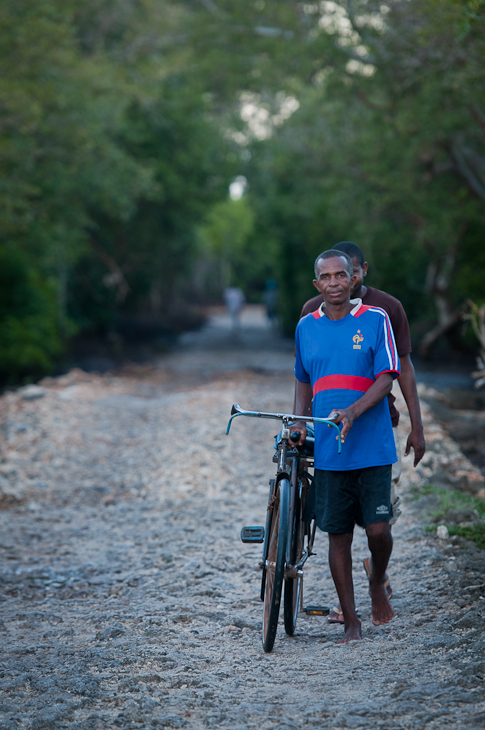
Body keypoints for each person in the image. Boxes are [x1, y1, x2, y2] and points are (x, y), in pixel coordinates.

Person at [299, 241, 425, 624]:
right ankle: (350, 619)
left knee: (378, 528)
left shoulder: (382, 314)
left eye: (343, 274)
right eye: (327, 276)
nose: (335, 282)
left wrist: (416, 427)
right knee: (337, 535)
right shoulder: (307, 321)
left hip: (374, 435)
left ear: (358, 274)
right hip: (329, 445)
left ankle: (377, 579)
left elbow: (395, 372)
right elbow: (303, 379)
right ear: (317, 282)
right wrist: (298, 422)